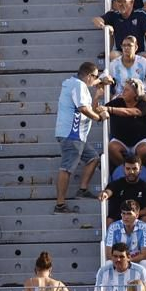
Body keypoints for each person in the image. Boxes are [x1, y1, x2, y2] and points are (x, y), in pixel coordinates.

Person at [55, 63, 109, 212]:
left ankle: (83, 189)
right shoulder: (79, 86)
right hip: (72, 134)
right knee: (66, 168)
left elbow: (86, 100)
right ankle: (60, 204)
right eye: (95, 77)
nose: (96, 80)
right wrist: (99, 118)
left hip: (75, 135)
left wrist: (100, 84)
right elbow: (83, 108)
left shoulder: (72, 82)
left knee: (93, 157)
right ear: (89, 76)